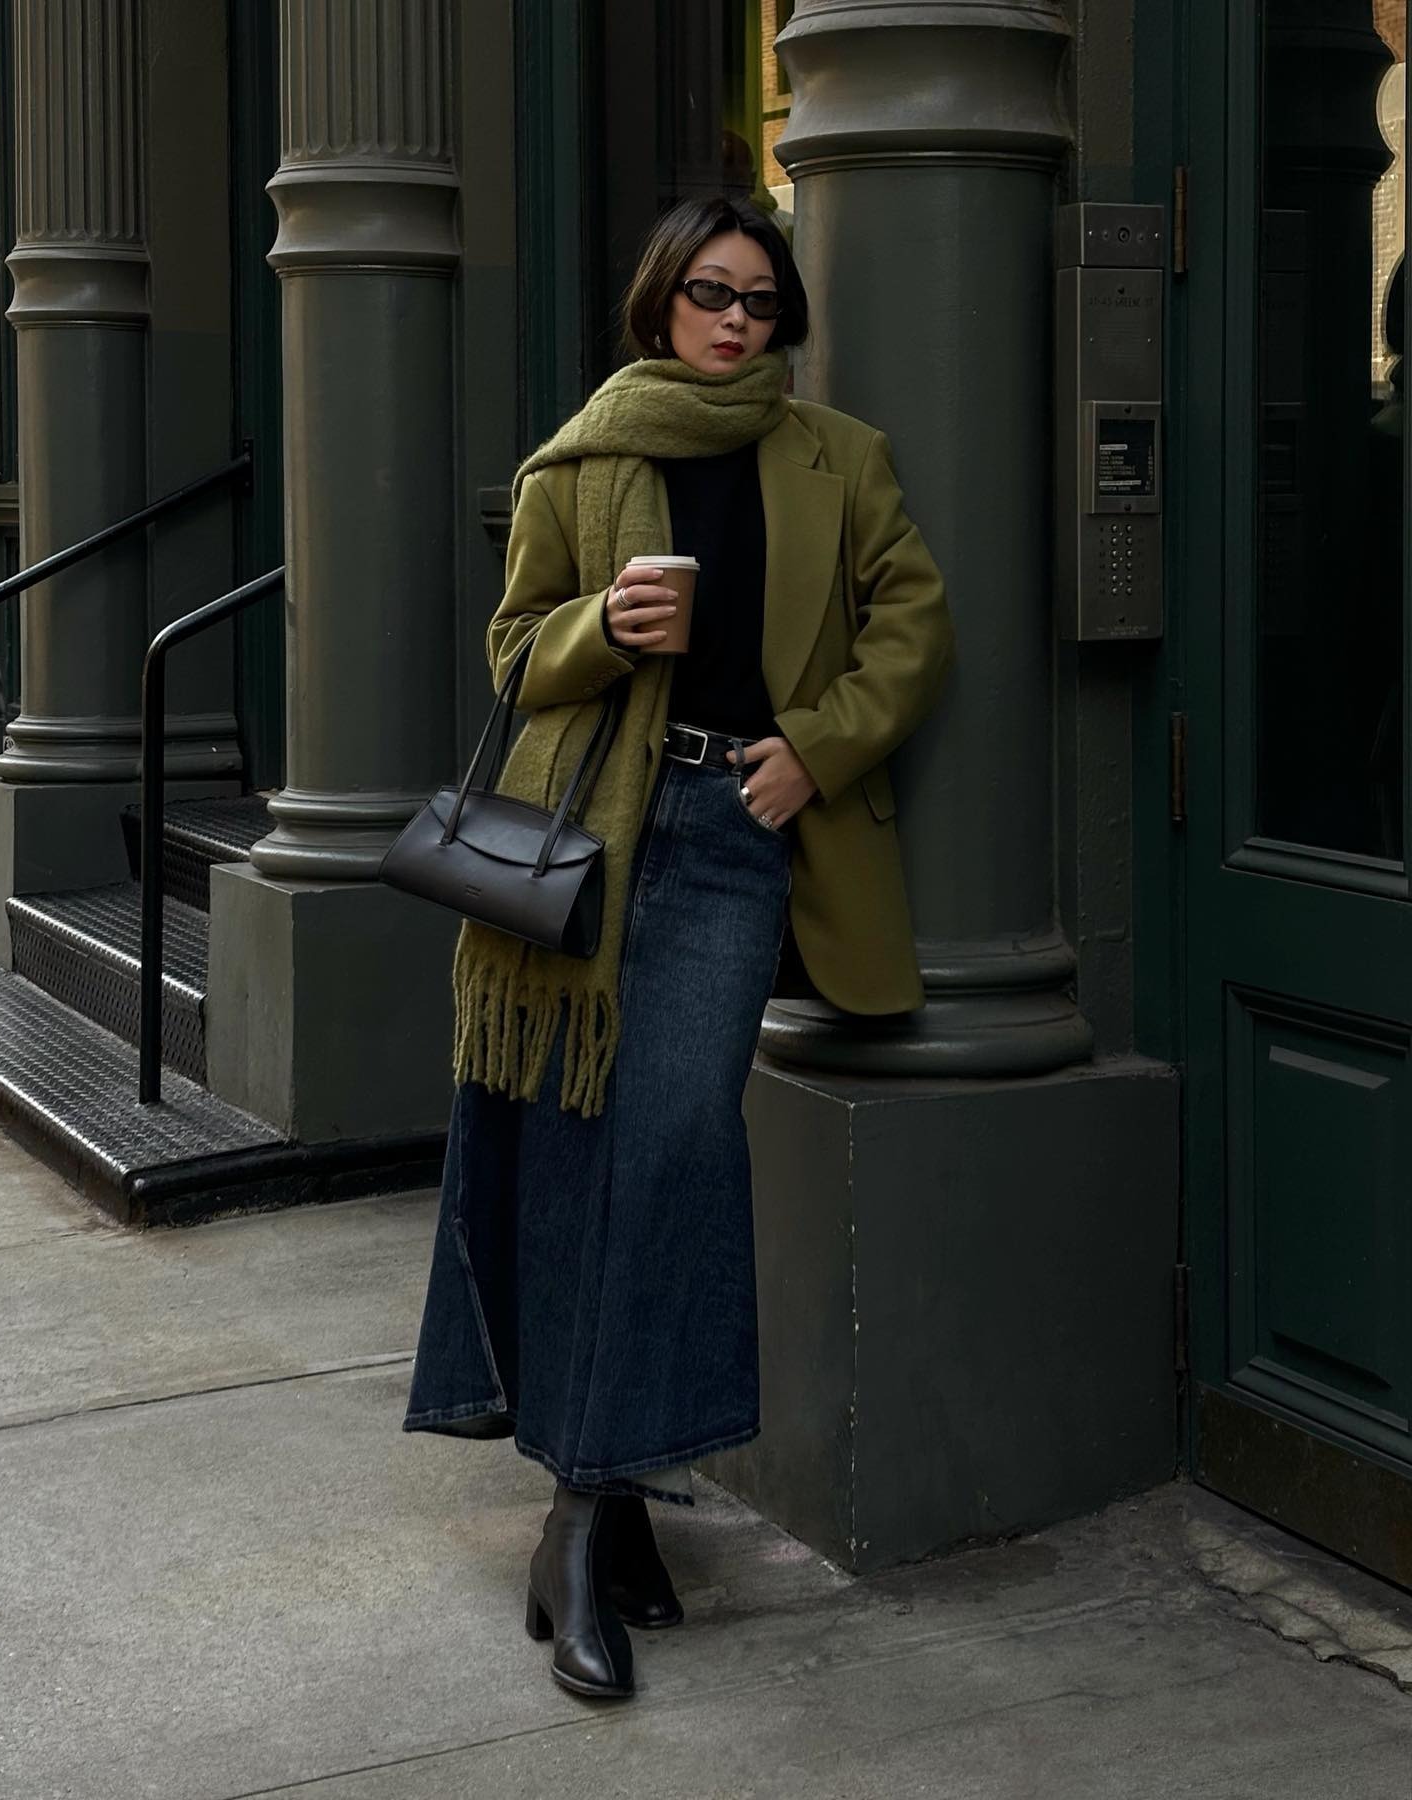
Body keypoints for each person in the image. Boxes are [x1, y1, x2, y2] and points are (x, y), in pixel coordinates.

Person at [402, 194, 955, 1701]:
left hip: (728, 839)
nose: (734, 321)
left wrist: (815, 750)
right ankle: (604, 1512)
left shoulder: (840, 458)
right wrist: (606, 627)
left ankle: (582, 1516)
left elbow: (914, 626)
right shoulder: (582, 459)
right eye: (711, 293)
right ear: (661, 302)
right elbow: (514, 653)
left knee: (671, 1151)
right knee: (577, 1152)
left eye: (761, 301)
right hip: (585, 840)